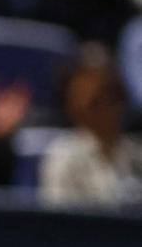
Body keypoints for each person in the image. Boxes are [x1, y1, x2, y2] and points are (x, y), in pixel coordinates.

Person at [40, 48, 142, 209]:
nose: (106, 108)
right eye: (93, 103)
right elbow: (60, 225)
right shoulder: (63, 157)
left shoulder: (136, 154)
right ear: (74, 107)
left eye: (111, 96)